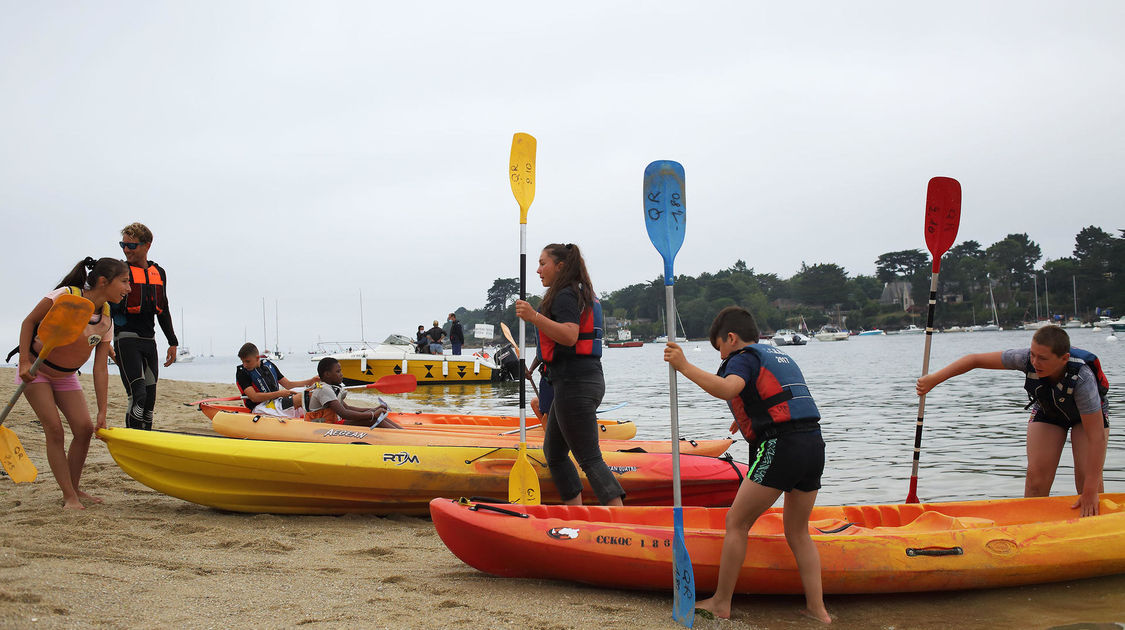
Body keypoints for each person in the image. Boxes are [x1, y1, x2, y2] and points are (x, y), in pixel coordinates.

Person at [664, 305, 830, 623]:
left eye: (720, 350)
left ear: (731, 338)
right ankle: (818, 610)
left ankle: (722, 603)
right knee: (797, 531)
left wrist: (684, 365)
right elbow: (777, 398)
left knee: (736, 523)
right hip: (813, 445)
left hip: (782, 446)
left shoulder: (741, 356)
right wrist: (746, 419)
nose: (722, 358)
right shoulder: (778, 355)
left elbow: (727, 388)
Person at [916, 325, 1110, 517]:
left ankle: (1095, 523)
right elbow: (974, 360)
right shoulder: (1024, 358)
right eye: (1033, 354)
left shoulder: (1082, 378)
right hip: (1048, 411)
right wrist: (934, 379)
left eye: (1042, 358)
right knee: (1036, 480)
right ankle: (1031, 528)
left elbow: (1096, 437)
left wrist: (1090, 490)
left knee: (1087, 480)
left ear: (1064, 359)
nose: (1035, 362)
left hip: (1084, 419)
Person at [14, 257, 130, 509]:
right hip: (36, 371)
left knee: (84, 429)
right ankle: (69, 496)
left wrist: (103, 410)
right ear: (103, 281)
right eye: (124, 281)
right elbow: (29, 322)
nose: (128, 288)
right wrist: (24, 361)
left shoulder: (107, 318)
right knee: (54, 429)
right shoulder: (66, 296)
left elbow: (100, 368)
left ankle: (74, 487)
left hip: (66, 376)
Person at [514, 243, 623, 507]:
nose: (538, 270)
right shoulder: (573, 292)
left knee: (588, 457)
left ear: (560, 266)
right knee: (554, 453)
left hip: (577, 384)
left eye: (543, 263)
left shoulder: (565, 294)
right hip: (575, 382)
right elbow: (556, 342)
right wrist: (533, 365)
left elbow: (570, 334)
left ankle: (619, 516)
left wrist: (533, 316)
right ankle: (575, 510)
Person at [111, 223, 178, 430]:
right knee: (138, 394)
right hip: (126, 339)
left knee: (149, 400)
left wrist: (172, 342)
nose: (126, 250)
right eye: (123, 244)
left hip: (149, 341)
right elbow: (105, 306)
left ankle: (145, 440)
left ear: (147, 245)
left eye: (132, 245)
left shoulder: (159, 272)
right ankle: (133, 440)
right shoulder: (119, 271)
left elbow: (163, 308)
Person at [303, 358, 403, 428]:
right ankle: (404, 437)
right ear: (327, 374)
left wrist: (372, 410)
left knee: (377, 417)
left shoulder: (329, 388)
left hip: (332, 423)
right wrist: (372, 415)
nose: (341, 374)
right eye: (338, 372)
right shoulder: (324, 389)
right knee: (372, 419)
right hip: (323, 427)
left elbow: (348, 408)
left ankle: (404, 433)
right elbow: (344, 413)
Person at [235, 342, 318, 417]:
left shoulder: (268, 365)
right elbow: (254, 397)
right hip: (261, 407)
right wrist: (279, 393)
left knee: (312, 391)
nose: (245, 365)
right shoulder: (242, 373)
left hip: (276, 401)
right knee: (302, 398)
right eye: (243, 361)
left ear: (257, 358)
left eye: (247, 361)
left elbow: (288, 384)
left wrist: (311, 381)